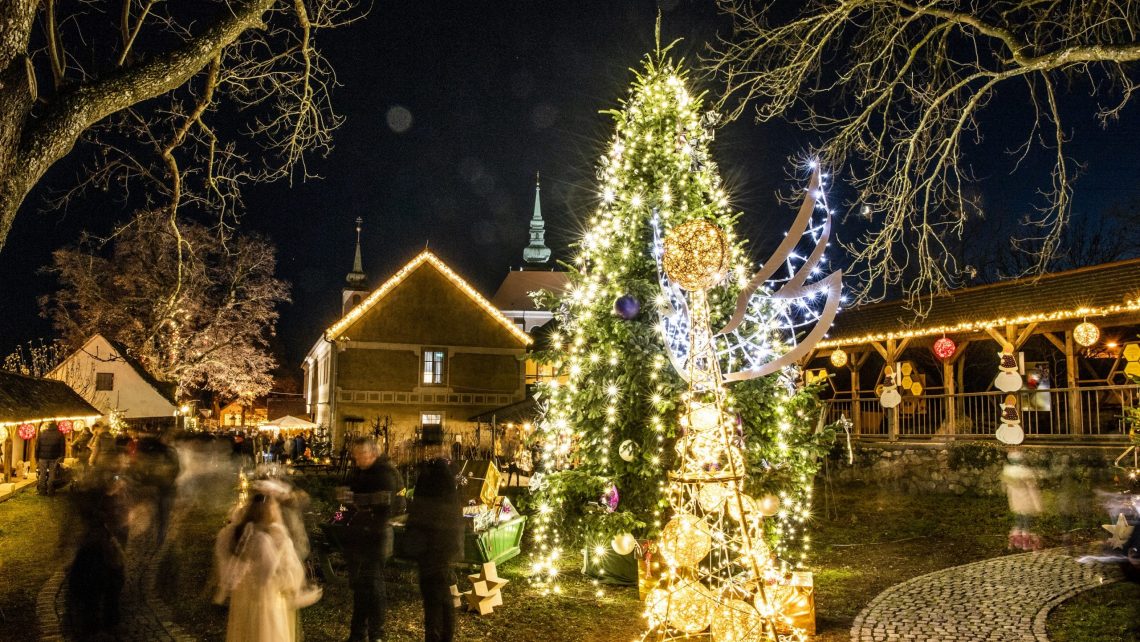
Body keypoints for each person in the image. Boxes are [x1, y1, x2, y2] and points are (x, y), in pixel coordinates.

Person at [214, 483, 320, 642]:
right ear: (269, 511)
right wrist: (291, 585)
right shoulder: (267, 539)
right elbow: (269, 574)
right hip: (265, 600)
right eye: (275, 508)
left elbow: (225, 561)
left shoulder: (232, 533)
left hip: (242, 599)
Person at [339, 437, 404, 642]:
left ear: (373, 454)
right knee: (361, 587)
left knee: (374, 587)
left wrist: (356, 500)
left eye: (361, 455)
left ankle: (377, 634)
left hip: (376, 536)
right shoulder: (360, 471)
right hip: (360, 535)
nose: (357, 459)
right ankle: (357, 634)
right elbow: (344, 492)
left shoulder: (385, 473)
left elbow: (386, 504)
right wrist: (353, 499)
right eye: (355, 455)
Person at [406, 459, 463, 642]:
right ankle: (443, 636)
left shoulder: (433, 476)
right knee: (441, 595)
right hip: (439, 546)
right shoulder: (443, 477)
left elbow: (424, 512)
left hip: (432, 547)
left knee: (434, 598)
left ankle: (435, 637)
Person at [35, 421, 65, 495]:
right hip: (54, 457)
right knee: (52, 474)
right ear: (56, 426)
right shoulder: (60, 434)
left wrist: (36, 457)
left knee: (42, 474)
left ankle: (42, 491)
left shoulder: (42, 433)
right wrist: (62, 456)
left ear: (48, 426)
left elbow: (37, 446)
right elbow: (63, 446)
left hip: (42, 457)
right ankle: (50, 491)